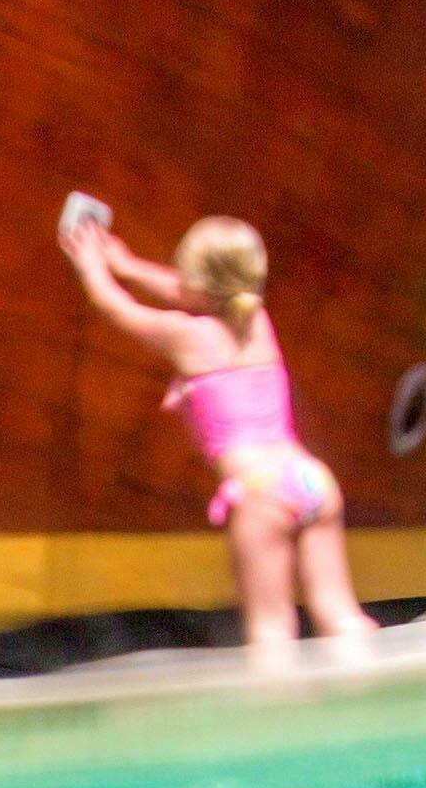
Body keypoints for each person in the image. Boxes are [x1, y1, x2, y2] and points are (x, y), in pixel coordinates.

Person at [56, 196, 374, 665]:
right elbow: (189, 292)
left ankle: (277, 728)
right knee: (339, 614)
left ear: (199, 284)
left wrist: (92, 266)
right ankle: (375, 692)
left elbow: (115, 308)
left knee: (271, 628)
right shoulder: (257, 320)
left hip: (262, 493)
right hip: (310, 479)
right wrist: (127, 263)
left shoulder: (187, 336)